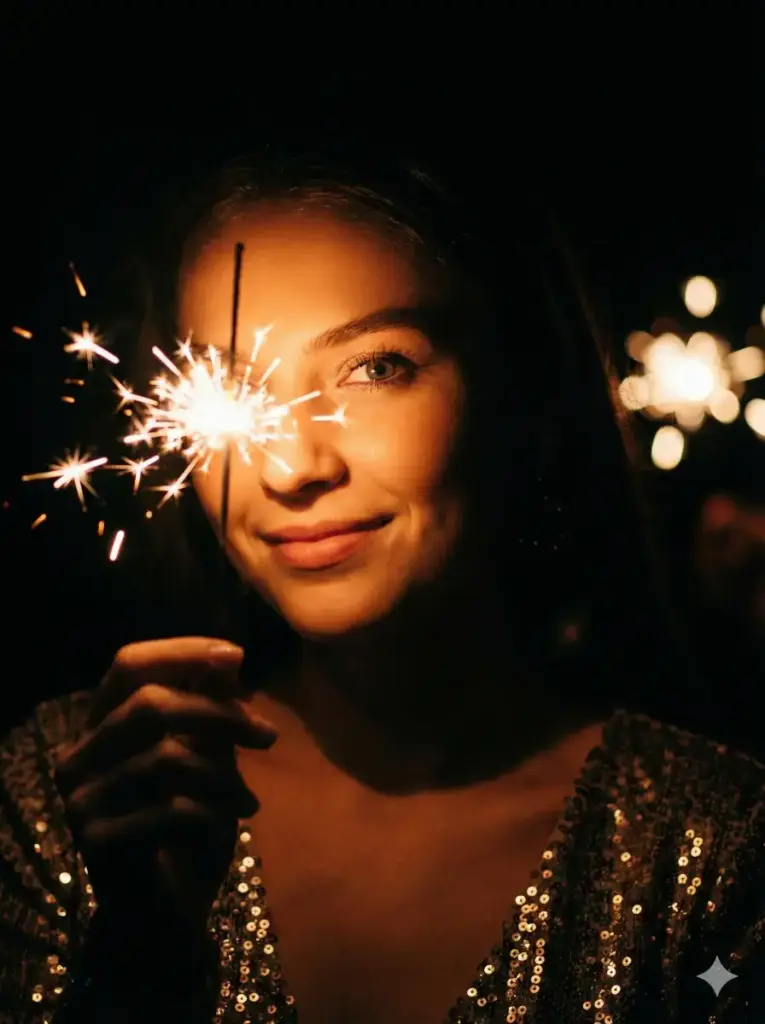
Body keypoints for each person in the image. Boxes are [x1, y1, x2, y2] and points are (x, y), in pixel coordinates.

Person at [1, 145, 763, 1024]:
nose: (290, 466)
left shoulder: (720, 854)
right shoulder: (70, 796)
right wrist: (138, 957)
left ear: (520, 394)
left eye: (374, 368)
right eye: (232, 387)